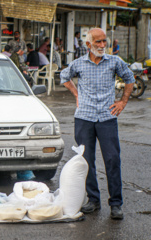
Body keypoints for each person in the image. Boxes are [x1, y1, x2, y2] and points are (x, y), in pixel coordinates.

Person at [60, 28, 135, 220]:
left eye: (104, 42)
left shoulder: (114, 62)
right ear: (88, 45)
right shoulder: (78, 64)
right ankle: (93, 200)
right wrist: (77, 94)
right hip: (84, 117)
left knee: (112, 160)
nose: (102, 46)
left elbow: (129, 79)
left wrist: (123, 102)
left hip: (107, 118)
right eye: (98, 42)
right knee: (86, 160)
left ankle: (116, 204)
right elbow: (64, 77)